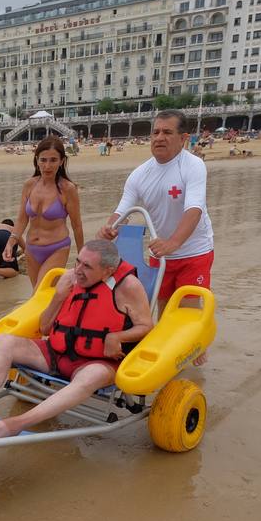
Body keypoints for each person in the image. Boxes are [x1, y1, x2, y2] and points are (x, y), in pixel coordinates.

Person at [0, 239, 152, 440]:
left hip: (96, 362)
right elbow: (44, 327)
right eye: (77, 261)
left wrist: (117, 336)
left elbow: (146, 326)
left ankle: (15, 424)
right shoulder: (70, 278)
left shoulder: (128, 287)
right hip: (55, 353)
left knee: (92, 376)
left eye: (87, 266)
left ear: (107, 270)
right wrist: (58, 297)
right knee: (4, 341)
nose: (78, 269)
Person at [99, 109, 213, 365]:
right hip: (161, 253)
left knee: (189, 311)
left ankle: (194, 349)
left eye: (167, 132)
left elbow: (194, 209)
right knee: (162, 307)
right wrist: (108, 229)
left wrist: (174, 242)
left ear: (183, 138)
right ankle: (170, 354)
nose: (159, 138)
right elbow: (123, 210)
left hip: (194, 251)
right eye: (155, 132)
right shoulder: (140, 174)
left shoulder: (193, 165)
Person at [2, 135, 84, 289]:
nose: (47, 166)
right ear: (36, 160)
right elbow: (21, 219)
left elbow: (77, 226)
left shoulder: (68, 189)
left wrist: (82, 258)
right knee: (41, 296)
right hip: (31, 249)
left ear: (62, 161)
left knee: (39, 295)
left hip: (57, 248)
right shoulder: (29, 185)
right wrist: (11, 242)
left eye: (53, 160)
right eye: (43, 160)